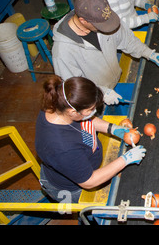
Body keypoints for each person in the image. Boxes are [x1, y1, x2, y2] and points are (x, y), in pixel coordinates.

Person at [35, 75, 145, 203]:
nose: (94, 112)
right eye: (90, 110)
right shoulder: (62, 147)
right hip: (73, 189)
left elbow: (85, 121)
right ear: (73, 112)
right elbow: (89, 181)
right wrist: (125, 159)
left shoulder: (60, 105)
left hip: (81, 162)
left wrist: (112, 129)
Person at [52, 0, 159, 106]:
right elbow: (73, 87)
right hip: (92, 98)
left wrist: (149, 53)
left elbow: (128, 41)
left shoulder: (102, 17)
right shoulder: (63, 51)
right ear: (83, 21)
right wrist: (101, 92)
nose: (107, 27)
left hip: (112, 80)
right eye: (102, 25)